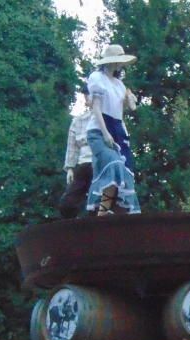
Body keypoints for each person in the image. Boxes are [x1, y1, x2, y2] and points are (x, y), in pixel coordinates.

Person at [86, 44, 141, 215]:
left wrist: (131, 99)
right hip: (99, 130)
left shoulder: (119, 85)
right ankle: (103, 211)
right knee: (113, 164)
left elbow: (129, 108)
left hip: (118, 131)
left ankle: (104, 212)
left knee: (122, 171)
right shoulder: (97, 78)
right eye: (118, 60)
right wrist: (105, 133)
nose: (120, 64)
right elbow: (96, 108)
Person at [60, 85, 95, 218]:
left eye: (89, 95)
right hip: (82, 164)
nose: (87, 99)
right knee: (67, 203)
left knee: (97, 202)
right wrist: (70, 168)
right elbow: (72, 146)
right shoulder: (78, 120)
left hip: (100, 164)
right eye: (85, 96)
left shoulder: (106, 118)